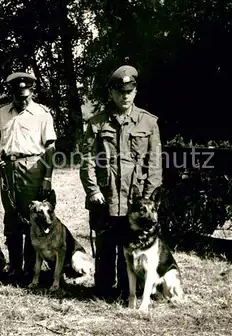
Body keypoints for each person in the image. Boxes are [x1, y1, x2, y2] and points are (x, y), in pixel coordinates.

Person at [79, 65, 163, 299]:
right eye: (119, 91)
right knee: (105, 245)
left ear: (135, 92)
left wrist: (147, 199)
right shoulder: (96, 124)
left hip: (134, 201)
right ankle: (104, 291)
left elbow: (155, 165)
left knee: (131, 246)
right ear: (111, 93)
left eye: (129, 91)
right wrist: (93, 189)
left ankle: (128, 292)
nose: (124, 96)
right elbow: (87, 161)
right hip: (105, 197)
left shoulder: (148, 123)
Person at [0, 72, 57, 283]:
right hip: (8, 170)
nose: (23, 100)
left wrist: (47, 178)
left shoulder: (42, 113)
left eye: (26, 96)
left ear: (32, 92)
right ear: (13, 93)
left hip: (33, 168)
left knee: (32, 219)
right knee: (11, 218)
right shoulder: (1, 113)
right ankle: (15, 267)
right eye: (19, 97)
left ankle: (30, 269)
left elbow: (50, 148)